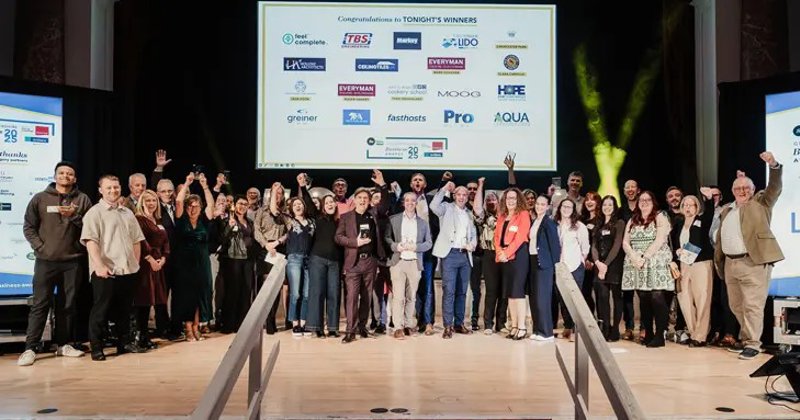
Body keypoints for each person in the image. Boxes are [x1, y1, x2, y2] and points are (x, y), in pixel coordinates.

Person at [17, 161, 93, 366]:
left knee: (67, 306)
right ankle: (30, 348)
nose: (66, 176)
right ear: (55, 176)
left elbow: (91, 227)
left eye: (70, 174)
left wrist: (74, 216)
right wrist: (40, 247)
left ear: (74, 178)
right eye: (62, 173)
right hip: (45, 261)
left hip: (73, 262)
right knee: (40, 305)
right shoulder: (40, 198)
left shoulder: (83, 199)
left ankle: (63, 345)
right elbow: (29, 227)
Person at [714, 151, 783, 360]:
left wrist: (773, 166)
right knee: (736, 305)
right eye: (738, 188)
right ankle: (745, 338)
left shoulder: (761, 203)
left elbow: (774, 188)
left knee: (753, 305)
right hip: (730, 263)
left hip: (753, 261)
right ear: (732, 191)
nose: (742, 190)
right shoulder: (727, 210)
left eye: (746, 187)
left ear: (753, 190)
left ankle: (753, 343)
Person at [81, 175, 146, 361]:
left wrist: (135, 263)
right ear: (101, 190)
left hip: (127, 270)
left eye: (116, 187)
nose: (113, 191)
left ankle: (123, 343)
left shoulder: (127, 213)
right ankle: (96, 347)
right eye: (109, 188)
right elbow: (90, 241)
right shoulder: (95, 213)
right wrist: (99, 266)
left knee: (124, 310)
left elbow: (136, 240)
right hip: (105, 271)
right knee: (100, 310)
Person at [335, 170, 389, 343]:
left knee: (366, 297)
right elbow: (338, 237)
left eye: (366, 198)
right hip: (353, 262)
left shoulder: (373, 214)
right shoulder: (345, 217)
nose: (363, 200)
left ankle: (362, 327)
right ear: (355, 199)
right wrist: (355, 242)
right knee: (351, 297)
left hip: (370, 261)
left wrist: (381, 184)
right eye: (360, 198)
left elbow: (385, 203)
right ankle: (350, 331)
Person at [622, 191, 674, 348]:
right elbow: (625, 242)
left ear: (653, 202)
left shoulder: (660, 216)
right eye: (641, 200)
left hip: (655, 261)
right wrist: (634, 257)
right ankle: (648, 333)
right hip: (636, 262)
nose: (644, 202)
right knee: (643, 298)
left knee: (657, 297)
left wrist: (645, 257)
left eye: (647, 200)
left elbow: (660, 239)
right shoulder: (633, 219)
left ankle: (660, 335)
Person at [431, 181, 478, 339]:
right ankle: (448, 325)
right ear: (454, 196)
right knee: (449, 291)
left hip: (465, 255)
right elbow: (433, 206)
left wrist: (472, 244)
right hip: (449, 254)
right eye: (459, 194)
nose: (462, 197)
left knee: (462, 292)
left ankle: (459, 323)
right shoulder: (446, 208)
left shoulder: (469, 213)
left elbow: (473, 234)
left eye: (465, 195)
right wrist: (444, 187)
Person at [172, 173, 215, 342]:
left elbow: (211, 203)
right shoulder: (182, 220)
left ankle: (197, 326)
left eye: (196, 206)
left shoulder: (204, 220)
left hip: (202, 262)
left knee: (200, 295)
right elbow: (178, 202)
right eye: (190, 205)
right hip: (185, 263)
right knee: (187, 296)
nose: (193, 209)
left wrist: (204, 186)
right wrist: (187, 183)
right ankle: (188, 328)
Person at [384, 192, 433, 339]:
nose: (410, 203)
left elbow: (429, 243)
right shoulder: (394, 220)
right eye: (407, 200)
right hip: (398, 262)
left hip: (414, 263)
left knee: (411, 297)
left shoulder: (423, 223)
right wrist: (396, 246)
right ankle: (397, 327)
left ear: (416, 203)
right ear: (403, 203)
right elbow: (387, 238)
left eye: (413, 200)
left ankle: (407, 324)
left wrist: (416, 247)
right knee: (398, 297)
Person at [671, 190, 715, 347]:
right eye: (685, 204)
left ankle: (701, 336)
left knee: (702, 298)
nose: (688, 207)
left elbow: (710, 213)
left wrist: (708, 198)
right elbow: (674, 243)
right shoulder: (679, 223)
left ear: (697, 207)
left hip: (700, 263)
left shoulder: (702, 220)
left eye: (692, 205)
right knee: (685, 298)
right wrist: (676, 251)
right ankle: (693, 331)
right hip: (684, 264)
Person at [300, 180, 342, 338]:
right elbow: (309, 203)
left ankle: (332, 328)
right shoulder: (317, 218)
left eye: (333, 202)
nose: (330, 204)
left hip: (335, 262)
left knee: (334, 294)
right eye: (327, 202)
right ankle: (315, 327)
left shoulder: (340, 222)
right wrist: (303, 187)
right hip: (317, 259)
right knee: (316, 293)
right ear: (323, 206)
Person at [133, 190, 170, 350]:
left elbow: (166, 243)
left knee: (152, 301)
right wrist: (150, 259)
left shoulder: (157, 220)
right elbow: (140, 241)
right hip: (144, 264)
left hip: (158, 263)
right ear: (142, 202)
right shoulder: (138, 219)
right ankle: (139, 336)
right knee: (143, 300)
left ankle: (145, 336)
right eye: (147, 200)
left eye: (154, 200)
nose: (151, 203)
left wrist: (163, 258)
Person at [493, 187, 531, 340]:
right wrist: (499, 252)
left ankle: (522, 327)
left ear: (518, 200)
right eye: (508, 198)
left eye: (513, 198)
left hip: (519, 256)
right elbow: (496, 237)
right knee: (509, 293)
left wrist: (507, 253)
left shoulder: (523, 214)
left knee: (518, 292)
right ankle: (514, 326)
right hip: (504, 257)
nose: (510, 201)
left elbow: (521, 237)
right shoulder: (502, 216)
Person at [254, 182, 288, 334]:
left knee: (276, 287)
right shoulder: (262, 211)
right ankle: (262, 320)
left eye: (280, 193)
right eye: (275, 192)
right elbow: (256, 230)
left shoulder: (286, 212)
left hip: (279, 249)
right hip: (265, 249)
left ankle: (272, 319)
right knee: (264, 287)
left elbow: (289, 231)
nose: (278, 195)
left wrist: (278, 241)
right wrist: (265, 244)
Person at [218, 195, 256, 333]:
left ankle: (242, 325)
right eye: (240, 203)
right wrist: (229, 226)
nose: (242, 206)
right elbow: (222, 239)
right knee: (232, 291)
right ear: (235, 204)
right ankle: (229, 324)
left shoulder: (250, 222)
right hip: (233, 258)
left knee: (246, 291)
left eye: (245, 204)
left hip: (248, 260)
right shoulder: (228, 220)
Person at [554, 199, 590, 340]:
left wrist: (581, 259)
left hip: (575, 267)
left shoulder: (579, 226)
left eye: (570, 207)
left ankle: (577, 328)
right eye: (564, 206)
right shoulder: (555, 225)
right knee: (563, 299)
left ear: (574, 209)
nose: (566, 209)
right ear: (560, 208)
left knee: (575, 299)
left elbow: (585, 247)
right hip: (559, 267)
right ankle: (568, 326)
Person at [592, 196, 626, 341]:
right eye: (604, 204)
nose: (607, 207)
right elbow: (593, 245)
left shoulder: (619, 223)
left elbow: (617, 245)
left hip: (614, 265)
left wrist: (605, 264)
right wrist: (598, 262)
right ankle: (605, 327)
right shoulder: (598, 223)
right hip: (599, 266)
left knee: (617, 297)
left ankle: (615, 329)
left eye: (610, 204)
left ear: (615, 206)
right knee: (603, 298)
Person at [474, 183, 506, 335]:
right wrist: (480, 185)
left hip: (505, 255)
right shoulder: (483, 217)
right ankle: (488, 323)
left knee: (504, 291)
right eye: (488, 200)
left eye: (494, 199)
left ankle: (501, 323)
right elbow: (477, 207)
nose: (491, 202)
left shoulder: (505, 216)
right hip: (489, 255)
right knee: (492, 290)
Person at [528, 195, 561, 341]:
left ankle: (546, 332)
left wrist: (555, 266)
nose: (539, 206)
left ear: (548, 206)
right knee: (534, 298)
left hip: (545, 264)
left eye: (543, 204)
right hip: (533, 261)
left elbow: (555, 246)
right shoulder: (535, 221)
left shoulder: (549, 223)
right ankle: (537, 330)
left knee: (543, 298)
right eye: (537, 204)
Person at [284, 194, 315, 337]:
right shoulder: (289, 221)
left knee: (307, 294)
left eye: (300, 204)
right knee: (295, 293)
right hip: (294, 258)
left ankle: (303, 322)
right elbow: (274, 209)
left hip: (309, 259)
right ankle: (294, 323)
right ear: (291, 207)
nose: (298, 206)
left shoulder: (311, 222)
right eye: (295, 204)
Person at [619, 179, 640, 340]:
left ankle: (645, 327)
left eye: (633, 187)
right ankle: (629, 327)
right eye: (628, 187)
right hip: (624, 255)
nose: (631, 189)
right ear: (624, 191)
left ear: (638, 190)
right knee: (626, 293)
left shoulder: (645, 208)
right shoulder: (620, 211)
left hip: (642, 256)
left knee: (643, 292)